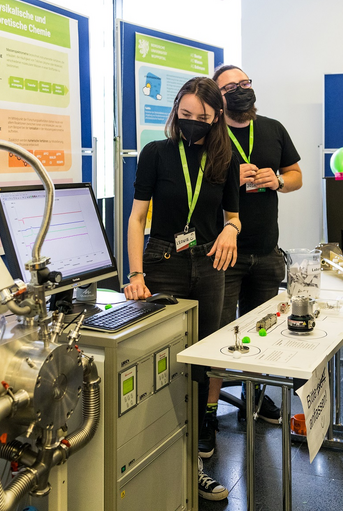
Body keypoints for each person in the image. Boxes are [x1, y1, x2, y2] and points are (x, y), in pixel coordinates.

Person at [123, 76, 241, 501]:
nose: (192, 122)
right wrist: (135, 274)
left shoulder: (223, 158)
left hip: (209, 263)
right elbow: (137, 218)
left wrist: (230, 230)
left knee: (204, 358)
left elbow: (234, 216)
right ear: (175, 111)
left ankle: (195, 449)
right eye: (185, 114)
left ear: (216, 118)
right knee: (163, 358)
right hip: (163, 262)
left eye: (202, 117)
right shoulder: (155, 153)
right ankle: (155, 449)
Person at [197, 65, 303, 458]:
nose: (241, 90)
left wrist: (279, 180)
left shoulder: (273, 129)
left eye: (245, 83)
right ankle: (208, 415)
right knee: (219, 338)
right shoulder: (210, 135)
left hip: (267, 251)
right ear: (217, 96)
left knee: (261, 335)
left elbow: (296, 175)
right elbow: (194, 187)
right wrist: (228, 178)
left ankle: (254, 399)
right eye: (231, 87)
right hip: (225, 254)